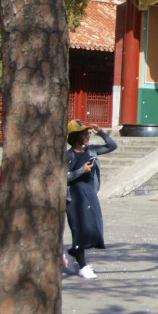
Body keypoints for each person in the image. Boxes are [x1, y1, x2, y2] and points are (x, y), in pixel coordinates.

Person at [65, 119, 117, 280]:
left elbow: (112, 146)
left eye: (88, 133)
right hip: (75, 197)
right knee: (80, 230)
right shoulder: (68, 155)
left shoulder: (91, 150)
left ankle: (74, 252)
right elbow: (62, 177)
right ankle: (82, 267)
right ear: (75, 136)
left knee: (93, 229)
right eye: (84, 134)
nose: (87, 136)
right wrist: (82, 170)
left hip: (90, 194)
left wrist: (100, 132)